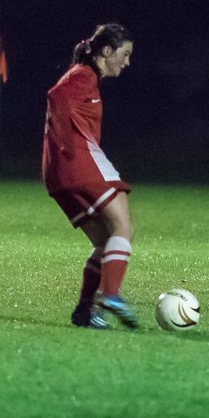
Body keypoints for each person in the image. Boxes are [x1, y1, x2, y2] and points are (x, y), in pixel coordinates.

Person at [42, 23, 139, 330]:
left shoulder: (83, 77)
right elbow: (56, 96)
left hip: (58, 173)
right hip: (80, 163)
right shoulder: (83, 75)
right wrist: (68, 144)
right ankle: (110, 295)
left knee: (105, 241)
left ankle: (84, 311)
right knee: (124, 227)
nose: (126, 62)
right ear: (106, 51)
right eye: (123, 54)